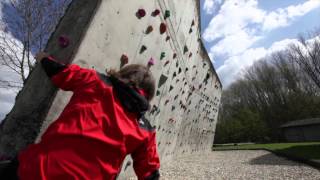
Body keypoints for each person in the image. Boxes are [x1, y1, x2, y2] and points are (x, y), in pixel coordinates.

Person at [17, 52, 160, 180]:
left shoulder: (95, 80)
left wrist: (43, 58)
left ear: (125, 74)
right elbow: (150, 173)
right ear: (149, 95)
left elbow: (60, 73)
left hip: (37, 170)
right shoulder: (145, 130)